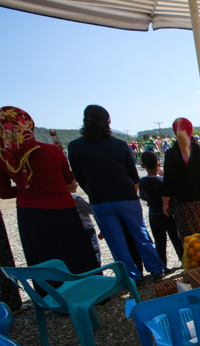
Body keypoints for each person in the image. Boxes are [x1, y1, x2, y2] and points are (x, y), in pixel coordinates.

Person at [0, 106, 99, 281]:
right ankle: (90, 288)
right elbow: (70, 183)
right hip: (62, 208)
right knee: (74, 250)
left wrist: (27, 188)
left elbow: (5, 193)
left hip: (29, 212)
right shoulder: (52, 151)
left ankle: (53, 296)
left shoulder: (5, 159)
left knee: (43, 255)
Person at [68, 105, 164, 283]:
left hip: (100, 200)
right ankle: (157, 269)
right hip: (126, 197)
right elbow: (133, 175)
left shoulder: (75, 147)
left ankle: (133, 277)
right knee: (140, 235)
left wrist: (93, 191)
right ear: (107, 122)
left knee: (117, 243)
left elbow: (80, 177)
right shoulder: (119, 145)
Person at [162, 117, 200, 239]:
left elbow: (169, 181)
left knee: (194, 242)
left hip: (187, 205)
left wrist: (165, 203)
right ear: (191, 130)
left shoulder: (171, 154)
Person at [139, 151, 184, 270]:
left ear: (143, 166)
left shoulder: (143, 182)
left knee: (159, 242)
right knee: (176, 238)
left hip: (154, 214)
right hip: (168, 213)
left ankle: (162, 266)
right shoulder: (164, 180)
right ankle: (184, 260)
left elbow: (142, 197)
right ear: (159, 164)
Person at [67, 180, 101, 266]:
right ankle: (97, 272)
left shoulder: (61, 200)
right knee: (94, 252)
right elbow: (92, 210)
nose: (77, 184)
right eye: (74, 182)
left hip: (72, 231)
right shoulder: (76, 199)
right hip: (87, 230)